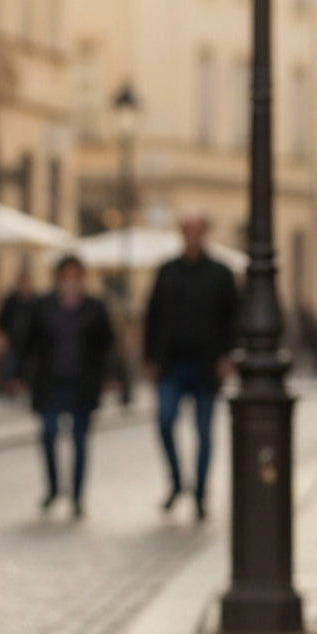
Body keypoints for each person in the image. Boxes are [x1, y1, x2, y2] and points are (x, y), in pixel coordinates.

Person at [143, 211, 239, 520]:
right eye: (188, 231)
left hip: (207, 367)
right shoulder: (167, 271)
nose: (193, 237)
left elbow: (233, 319)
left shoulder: (221, 273)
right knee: (165, 421)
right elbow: (152, 316)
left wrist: (228, 355)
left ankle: (199, 493)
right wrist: (150, 358)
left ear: (205, 233)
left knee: (204, 434)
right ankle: (176, 481)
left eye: (198, 231)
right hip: (171, 365)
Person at [16, 254, 114, 519]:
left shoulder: (95, 307)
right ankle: (53, 487)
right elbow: (28, 341)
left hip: (82, 385)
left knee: (80, 441)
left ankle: (77, 495)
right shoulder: (43, 305)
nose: (71, 281)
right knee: (48, 433)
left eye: (76, 275)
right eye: (66, 275)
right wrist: (19, 374)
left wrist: (111, 378)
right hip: (50, 384)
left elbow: (107, 345)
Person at [0, 267, 36, 388]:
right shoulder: (10, 301)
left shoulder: (35, 301)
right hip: (12, 341)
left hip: (30, 344)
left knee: (27, 369)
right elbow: (1, 321)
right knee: (10, 369)